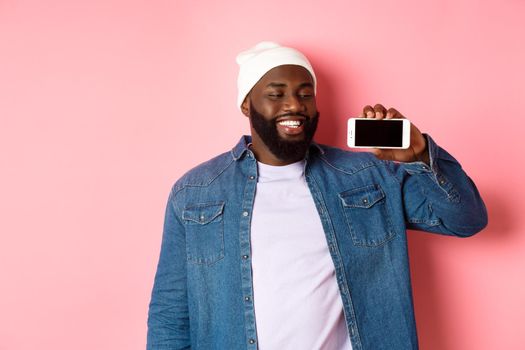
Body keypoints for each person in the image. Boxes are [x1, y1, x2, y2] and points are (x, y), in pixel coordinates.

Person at [146, 41, 487, 350]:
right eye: (276, 94)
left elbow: (466, 220)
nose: (294, 104)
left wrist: (419, 156)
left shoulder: (369, 176)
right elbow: (170, 315)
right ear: (247, 105)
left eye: (305, 93)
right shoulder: (196, 192)